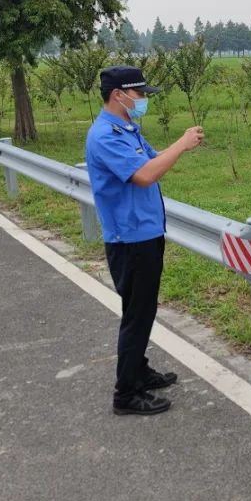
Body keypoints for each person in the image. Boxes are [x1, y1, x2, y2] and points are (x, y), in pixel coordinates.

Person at [85, 65, 204, 416]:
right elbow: (145, 175)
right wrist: (181, 144)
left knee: (142, 308)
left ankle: (138, 370)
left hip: (145, 232)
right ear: (119, 95)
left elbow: (152, 160)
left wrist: (180, 146)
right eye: (139, 94)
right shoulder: (104, 135)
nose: (142, 100)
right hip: (130, 238)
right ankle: (125, 394)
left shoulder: (126, 129)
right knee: (137, 315)